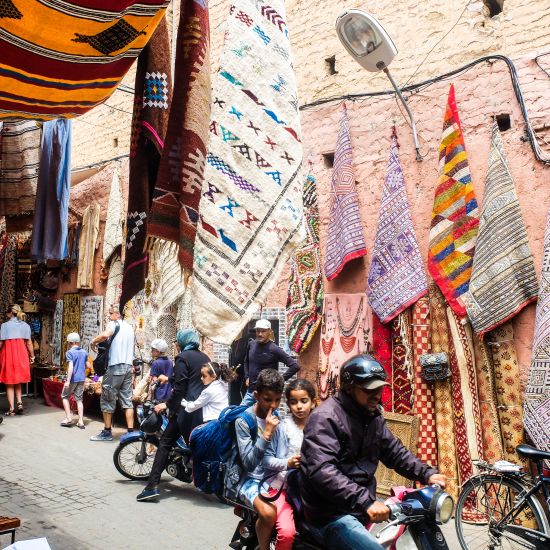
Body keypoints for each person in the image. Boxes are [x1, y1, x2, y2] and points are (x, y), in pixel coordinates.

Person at [299, 354, 446, 550]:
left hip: (359, 505)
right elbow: (322, 471)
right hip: (331, 514)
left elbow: (393, 451)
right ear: (349, 387)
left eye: (379, 389)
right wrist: (366, 501)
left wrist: (427, 473)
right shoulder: (325, 419)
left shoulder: (372, 415)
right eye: (370, 389)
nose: (377, 395)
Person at [136, 329, 210, 502]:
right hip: (202, 408)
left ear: (183, 341)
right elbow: (190, 379)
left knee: (165, 443)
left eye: (178, 341)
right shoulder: (204, 357)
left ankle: (151, 487)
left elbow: (180, 388)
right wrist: (168, 379)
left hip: (185, 410)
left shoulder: (182, 358)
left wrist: (167, 404)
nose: (177, 344)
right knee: (191, 444)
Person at [262, 379, 316, 550]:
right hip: (281, 489)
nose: (299, 406)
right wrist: (288, 463)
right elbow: (266, 460)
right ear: (288, 404)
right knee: (286, 533)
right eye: (294, 402)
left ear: (314, 402)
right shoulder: (282, 427)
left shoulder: (322, 427)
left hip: (310, 490)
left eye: (304, 401)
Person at [235, 368, 284, 550]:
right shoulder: (243, 420)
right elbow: (248, 462)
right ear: (256, 395)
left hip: (273, 475)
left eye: (278, 400)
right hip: (249, 480)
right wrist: (267, 434)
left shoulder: (276, 415)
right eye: (268, 399)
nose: (273, 405)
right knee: (269, 513)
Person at [89, 304, 135, 441]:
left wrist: (93, 341)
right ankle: (131, 432)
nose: (109, 316)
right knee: (127, 400)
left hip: (115, 366)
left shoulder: (114, 324)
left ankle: (107, 432)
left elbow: (105, 334)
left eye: (110, 313)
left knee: (107, 398)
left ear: (117, 314)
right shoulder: (130, 327)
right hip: (128, 367)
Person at [241, 319, 300, 406]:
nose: (260, 334)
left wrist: (279, 381)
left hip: (267, 394)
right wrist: (247, 376)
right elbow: (246, 361)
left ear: (269, 331)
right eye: (258, 331)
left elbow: (295, 366)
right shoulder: (251, 344)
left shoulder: (274, 349)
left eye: (263, 331)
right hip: (251, 392)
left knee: (266, 418)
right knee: (238, 414)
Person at [0, 304, 34, 416]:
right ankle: (19, 402)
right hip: (22, 355)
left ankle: (11, 409)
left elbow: (1, 343)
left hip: (9, 355)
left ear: (10, 313)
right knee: (18, 380)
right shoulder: (25, 325)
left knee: (10, 382)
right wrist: (32, 356)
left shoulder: (4, 326)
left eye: (7, 313)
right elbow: (29, 343)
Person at [60, 332, 88, 429]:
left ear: (70, 343)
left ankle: (68, 418)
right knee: (79, 400)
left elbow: (70, 367)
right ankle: (80, 421)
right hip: (81, 379)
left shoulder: (69, 353)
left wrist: (68, 380)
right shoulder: (84, 352)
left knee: (64, 396)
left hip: (73, 379)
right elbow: (88, 365)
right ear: (78, 342)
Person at [149, 338, 173, 403]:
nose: (151, 351)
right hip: (169, 394)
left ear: (157, 351)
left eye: (152, 350)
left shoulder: (155, 363)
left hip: (159, 395)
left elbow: (154, 381)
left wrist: (149, 397)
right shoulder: (170, 361)